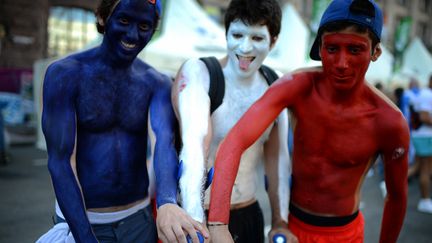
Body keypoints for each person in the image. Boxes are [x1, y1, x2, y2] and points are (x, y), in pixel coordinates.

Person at [207, 0, 409, 242]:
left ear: (375, 52)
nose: (342, 63)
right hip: (292, 228)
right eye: (332, 49)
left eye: (355, 50)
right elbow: (235, 140)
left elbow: (396, 198)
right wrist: (218, 223)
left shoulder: (389, 121)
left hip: (345, 234)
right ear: (320, 48)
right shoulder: (297, 86)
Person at [38, 0, 183, 242]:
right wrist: (85, 236)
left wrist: (168, 201)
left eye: (145, 26)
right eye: (124, 21)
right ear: (103, 18)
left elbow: (163, 143)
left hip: (139, 221)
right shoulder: (65, 75)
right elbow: (60, 161)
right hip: (82, 222)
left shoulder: (156, 83)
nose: (133, 34)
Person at [156, 0, 294, 242]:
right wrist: (197, 223)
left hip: (248, 211)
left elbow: (278, 159)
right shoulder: (200, 73)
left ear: (273, 41)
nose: (245, 47)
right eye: (237, 34)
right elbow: (196, 145)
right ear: (226, 34)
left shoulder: (276, 83)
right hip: (199, 214)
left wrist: (280, 222)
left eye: (258, 38)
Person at [411, 75, 432, 214]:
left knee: (418, 167)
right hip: (425, 137)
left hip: (421, 136)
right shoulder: (427, 94)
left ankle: (388, 186)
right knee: (425, 170)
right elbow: (424, 117)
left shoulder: (425, 93)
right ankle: (425, 201)